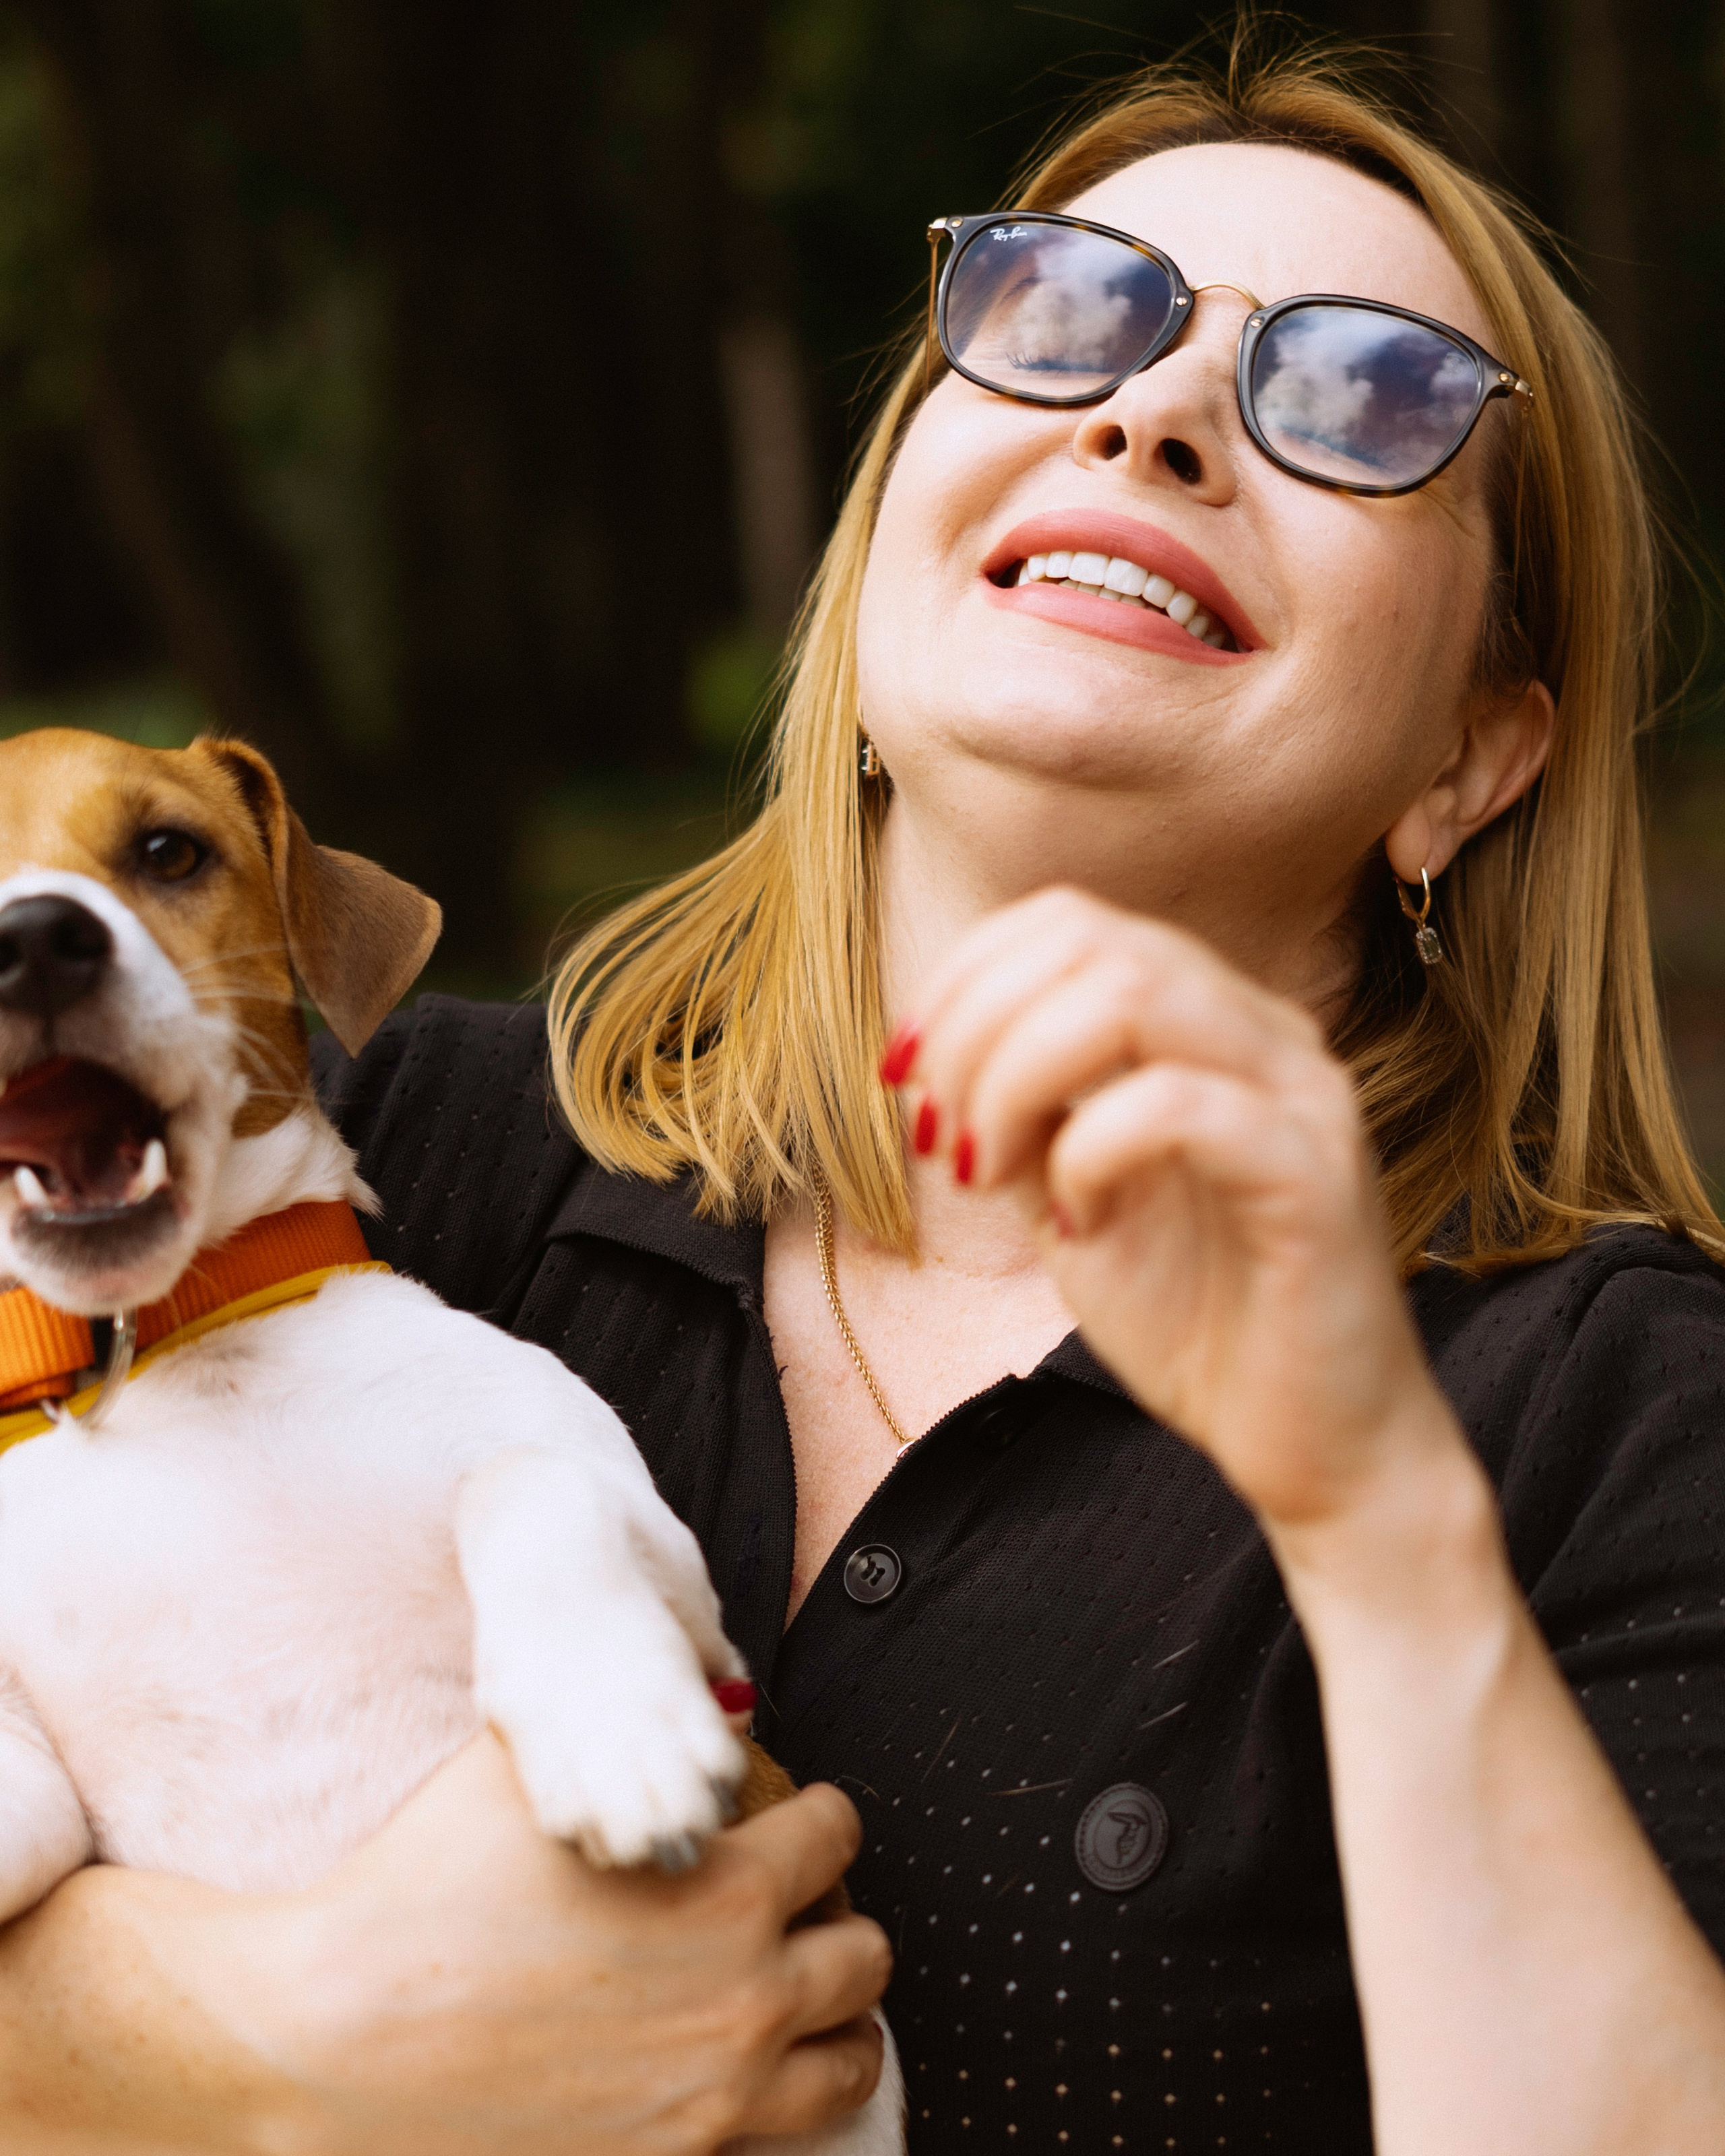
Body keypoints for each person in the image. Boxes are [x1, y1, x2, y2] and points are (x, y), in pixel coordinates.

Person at [4, 34, 1725, 2155]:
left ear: (1472, 759)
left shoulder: (1622, 1417)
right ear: (894, 510)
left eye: (1363, 394)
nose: (1157, 413)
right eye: (1067, 309)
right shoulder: (373, 1156)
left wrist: (1380, 1526)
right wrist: (276, 2057)